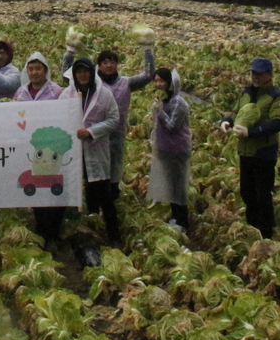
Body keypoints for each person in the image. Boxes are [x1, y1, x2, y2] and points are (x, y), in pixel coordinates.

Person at [64, 40, 155, 200]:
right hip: (91, 135)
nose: (109, 65)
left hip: (115, 133)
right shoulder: (93, 84)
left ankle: (112, 196)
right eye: (105, 62)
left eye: (112, 62)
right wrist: (70, 51)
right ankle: (91, 200)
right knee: (90, 170)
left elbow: (148, 75)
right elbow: (68, 75)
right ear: (98, 66)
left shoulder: (126, 83)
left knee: (114, 169)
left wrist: (147, 50)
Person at [60, 58, 121, 267]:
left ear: (91, 73)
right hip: (74, 151)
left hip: (96, 150)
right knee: (75, 192)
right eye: (79, 72)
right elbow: (58, 119)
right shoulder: (66, 94)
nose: (82, 75)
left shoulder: (104, 94)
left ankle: (114, 237)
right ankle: (83, 232)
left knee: (103, 194)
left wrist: (92, 131)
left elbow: (114, 119)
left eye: (86, 71)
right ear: (74, 74)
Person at [220, 58, 280, 239]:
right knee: (246, 191)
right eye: (253, 73)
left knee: (262, 193)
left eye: (259, 74)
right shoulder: (246, 93)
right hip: (245, 151)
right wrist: (226, 122)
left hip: (263, 151)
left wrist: (251, 132)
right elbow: (237, 114)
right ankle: (252, 228)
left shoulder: (278, 97)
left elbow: (276, 123)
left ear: (270, 75)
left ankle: (266, 233)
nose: (255, 77)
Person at [14, 52, 66, 251]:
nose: (34, 73)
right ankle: (42, 230)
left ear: (45, 71)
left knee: (54, 187)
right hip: (30, 147)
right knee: (35, 187)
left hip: (52, 147)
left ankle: (53, 232)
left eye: (38, 69)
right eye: (31, 69)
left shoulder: (57, 92)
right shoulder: (21, 93)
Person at [148, 68, 192, 232]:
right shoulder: (163, 100)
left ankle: (183, 222)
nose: (158, 84)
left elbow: (172, 126)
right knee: (171, 186)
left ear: (169, 83)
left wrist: (159, 111)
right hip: (164, 148)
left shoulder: (179, 103)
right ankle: (175, 217)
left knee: (178, 186)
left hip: (177, 150)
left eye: (162, 81)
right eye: (156, 81)